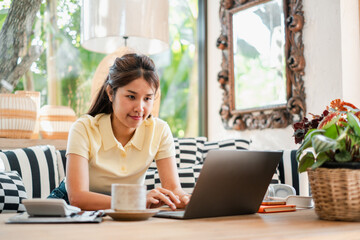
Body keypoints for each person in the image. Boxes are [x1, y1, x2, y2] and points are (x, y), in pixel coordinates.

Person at [64, 53, 190, 211]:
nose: (140, 108)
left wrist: (186, 198)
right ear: (110, 93)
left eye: (147, 98)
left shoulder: (159, 130)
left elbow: (173, 188)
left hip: (128, 212)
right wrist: (135, 200)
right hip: (74, 211)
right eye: (131, 96)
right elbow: (77, 198)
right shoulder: (84, 128)